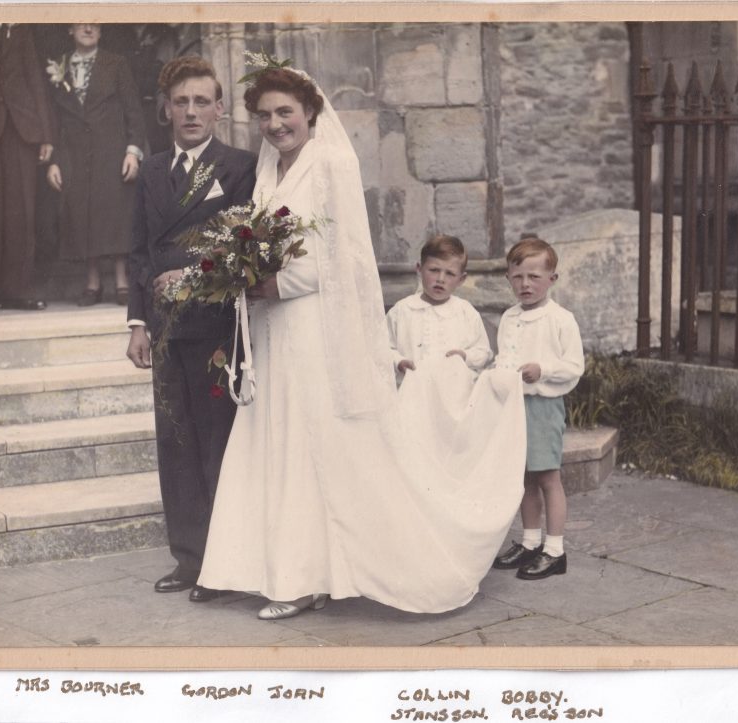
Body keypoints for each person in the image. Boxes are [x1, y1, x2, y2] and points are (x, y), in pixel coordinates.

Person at [196, 59, 527, 619]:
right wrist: (241, 275)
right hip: (272, 329)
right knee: (276, 439)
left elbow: (343, 258)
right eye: (264, 116)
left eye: (285, 113)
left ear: (310, 113)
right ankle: (289, 569)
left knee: (308, 443)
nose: (275, 125)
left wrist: (275, 283)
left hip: (312, 326)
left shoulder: (330, 163)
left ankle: (305, 579)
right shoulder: (270, 170)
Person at [125, 56, 257, 603]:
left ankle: (225, 562)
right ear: (166, 110)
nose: (191, 111)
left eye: (203, 101)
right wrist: (136, 322)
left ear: (220, 109)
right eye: (181, 102)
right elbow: (138, 250)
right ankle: (190, 557)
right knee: (174, 442)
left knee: (216, 442)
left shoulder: (242, 167)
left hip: (216, 326)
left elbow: (246, 245)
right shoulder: (153, 171)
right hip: (164, 327)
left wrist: (196, 272)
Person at [491, 237, 585, 580]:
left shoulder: (560, 319)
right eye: (518, 277)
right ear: (508, 279)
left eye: (534, 277)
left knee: (547, 476)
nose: (525, 284)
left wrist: (542, 370)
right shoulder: (509, 318)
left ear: (552, 279)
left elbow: (574, 366)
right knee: (523, 477)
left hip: (543, 405)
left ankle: (555, 549)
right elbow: (504, 358)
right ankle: (530, 542)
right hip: (513, 406)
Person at [45, 24, 146, 306]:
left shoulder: (116, 64)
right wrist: (54, 161)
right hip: (73, 155)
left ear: (101, 32)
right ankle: (92, 283)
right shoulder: (59, 66)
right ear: (70, 29)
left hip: (111, 152)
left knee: (114, 213)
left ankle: (121, 280)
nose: (88, 28)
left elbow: (133, 111)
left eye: (94, 24)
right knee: (81, 214)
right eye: (81, 22)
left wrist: (132, 151)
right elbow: (54, 118)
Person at [0, 22, 54, 314]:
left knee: (22, 213)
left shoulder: (19, 28)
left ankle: (20, 290)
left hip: (22, 130)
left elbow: (34, 80)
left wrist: (46, 135)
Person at [386, 234, 492, 382]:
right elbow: (385, 349)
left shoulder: (465, 312)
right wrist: (399, 362)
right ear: (419, 269)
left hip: (455, 390)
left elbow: (483, 351)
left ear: (461, 279)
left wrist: (465, 356)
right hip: (414, 388)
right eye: (434, 270)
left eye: (450, 273)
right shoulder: (402, 310)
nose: (441, 279)